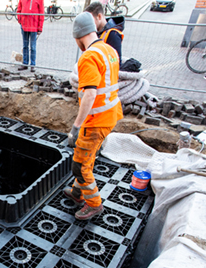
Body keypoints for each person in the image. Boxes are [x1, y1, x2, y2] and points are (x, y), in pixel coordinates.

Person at [64, 12, 122, 221]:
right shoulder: (109, 49)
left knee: (79, 166)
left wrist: (76, 126)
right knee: (86, 156)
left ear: (78, 36)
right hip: (110, 116)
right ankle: (78, 192)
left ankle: (94, 204)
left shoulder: (88, 56)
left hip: (96, 121)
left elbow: (90, 93)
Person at [16, 0, 44, 72]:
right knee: (25, 46)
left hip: (34, 27)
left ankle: (32, 65)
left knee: (33, 47)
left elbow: (41, 13)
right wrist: (20, 20)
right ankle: (25, 63)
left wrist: (40, 27)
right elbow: (19, 10)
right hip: (24, 25)